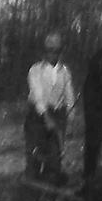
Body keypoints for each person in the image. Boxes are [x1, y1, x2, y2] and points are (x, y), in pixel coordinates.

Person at [24, 32, 75, 186]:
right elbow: (38, 95)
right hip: (37, 117)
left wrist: (71, 120)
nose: (53, 54)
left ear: (61, 51)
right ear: (44, 51)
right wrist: (46, 118)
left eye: (56, 50)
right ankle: (31, 194)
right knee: (34, 155)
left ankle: (50, 194)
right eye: (49, 50)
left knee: (54, 157)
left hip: (57, 116)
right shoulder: (35, 70)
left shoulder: (65, 72)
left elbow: (70, 96)